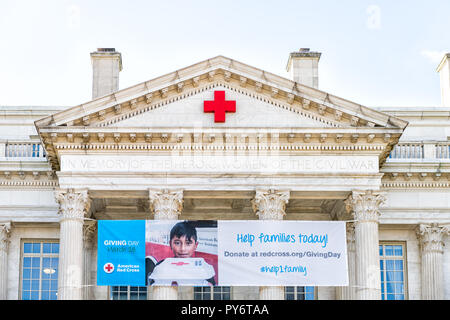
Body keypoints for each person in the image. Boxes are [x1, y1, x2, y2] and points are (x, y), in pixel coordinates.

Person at [146, 221, 216, 286]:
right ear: (170, 244)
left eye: (188, 243)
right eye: (177, 243)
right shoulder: (161, 266)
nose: (183, 249)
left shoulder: (204, 269)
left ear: (195, 245)